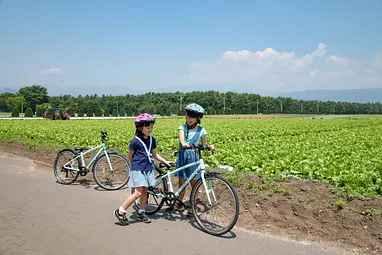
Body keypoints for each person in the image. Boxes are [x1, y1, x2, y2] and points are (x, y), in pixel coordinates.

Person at [113, 113, 173, 225]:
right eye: (147, 127)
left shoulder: (152, 140)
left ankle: (141, 212)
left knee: (145, 191)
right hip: (138, 169)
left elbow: (154, 154)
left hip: (148, 168)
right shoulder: (135, 141)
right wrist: (133, 167)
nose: (150, 129)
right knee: (138, 193)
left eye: (151, 127)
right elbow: (130, 155)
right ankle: (121, 211)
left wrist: (165, 161)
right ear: (140, 127)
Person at [173, 103, 215, 210]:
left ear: (198, 118)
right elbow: (182, 140)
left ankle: (193, 206)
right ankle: (179, 201)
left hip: (195, 158)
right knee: (182, 183)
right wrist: (184, 144)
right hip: (183, 157)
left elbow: (204, 143)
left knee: (194, 184)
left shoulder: (201, 131)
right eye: (187, 116)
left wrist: (209, 147)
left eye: (192, 117)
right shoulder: (182, 128)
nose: (189, 119)